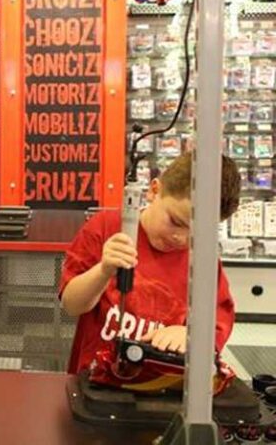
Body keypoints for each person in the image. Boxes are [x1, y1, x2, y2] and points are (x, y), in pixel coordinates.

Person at [60, 152, 241, 374]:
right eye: (175, 222)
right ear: (154, 191)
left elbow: (217, 323)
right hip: (96, 381)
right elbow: (72, 305)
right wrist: (103, 271)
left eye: (198, 232)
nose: (181, 238)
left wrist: (192, 335)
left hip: (164, 386)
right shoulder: (105, 228)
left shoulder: (203, 258)